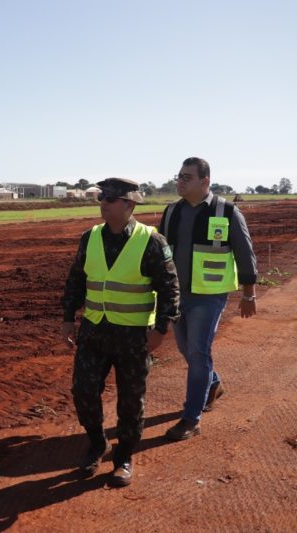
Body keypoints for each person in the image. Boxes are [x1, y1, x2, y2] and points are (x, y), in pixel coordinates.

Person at [62, 178, 180, 487]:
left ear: (129, 204)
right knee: (83, 391)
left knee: (131, 401)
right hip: (94, 332)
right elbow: (76, 279)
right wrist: (66, 318)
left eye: (111, 199)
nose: (103, 203)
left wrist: (160, 330)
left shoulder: (152, 241)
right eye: (102, 197)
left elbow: (170, 289)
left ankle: (124, 457)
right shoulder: (90, 238)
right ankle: (96, 443)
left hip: (132, 336)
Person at [161, 157, 258, 441]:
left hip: (210, 296)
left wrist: (249, 292)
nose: (180, 180)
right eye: (179, 175)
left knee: (198, 352)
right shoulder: (171, 212)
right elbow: (160, 253)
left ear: (205, 182)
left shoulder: (226, 211)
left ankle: (191, 419)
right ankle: (213, 384)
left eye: (187, 177)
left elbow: (244, 252)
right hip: (179, 294)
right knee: (185, 349)